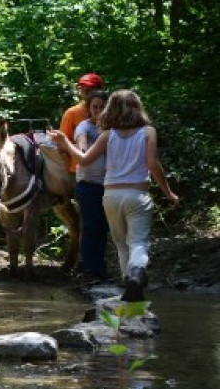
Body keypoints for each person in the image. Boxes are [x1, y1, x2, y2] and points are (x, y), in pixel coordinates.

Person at [49, 90, 179, 302]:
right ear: (137, 108)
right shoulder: (148, 132)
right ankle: (136, 274)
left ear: (111, 109)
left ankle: (130, 287)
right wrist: (169, 192)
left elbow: (83, 160)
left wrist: (65, 142)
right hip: (137, 194)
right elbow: (152, 164)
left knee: (121, 244)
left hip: (110, 195)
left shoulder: (107, 135)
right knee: (138, 243)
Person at [74, 89, 109, 280]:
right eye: (94, 107)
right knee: (91, 226)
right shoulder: (84, 127)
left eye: (102, 107)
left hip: (109, 184)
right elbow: (82, 146)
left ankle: (99, 267)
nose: (98, 110)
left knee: (103, 227)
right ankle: (90, 268)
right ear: (89, 108)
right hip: (88, 184)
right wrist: (82, 149)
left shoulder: (113, 128)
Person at [59, 73, 106, 175]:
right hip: (80, 172)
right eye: (82, 89)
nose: (85, 92)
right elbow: (61, 146)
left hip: (109, 172)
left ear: (100, 89)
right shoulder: (71, 113)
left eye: (90, 89)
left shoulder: (112, 112)